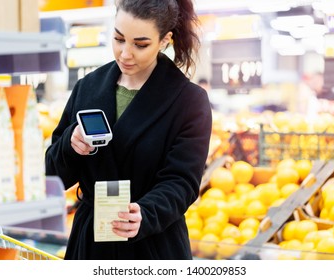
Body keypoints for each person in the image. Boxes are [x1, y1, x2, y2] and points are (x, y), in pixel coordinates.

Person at [45, 0, 212, 260]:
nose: (125, 53)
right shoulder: (88, 87)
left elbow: (182, 181)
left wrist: (146, 214)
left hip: (153, 245)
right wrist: (70, 144)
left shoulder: (189, 100)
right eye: (118, 39)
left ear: (164, 40)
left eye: (140, 44)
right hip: (91, 243)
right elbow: (52, 173)